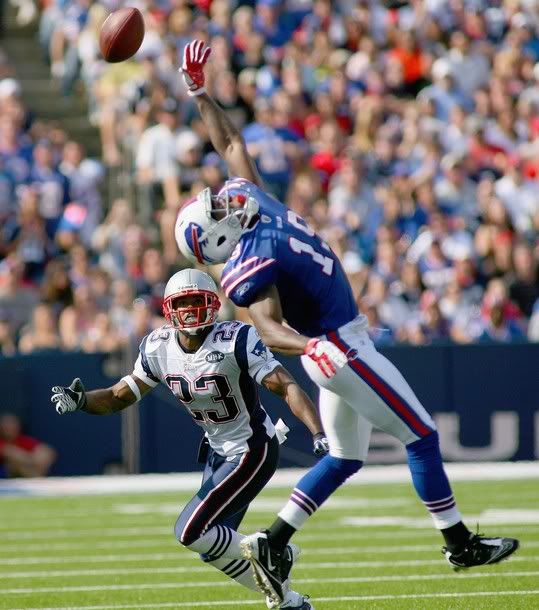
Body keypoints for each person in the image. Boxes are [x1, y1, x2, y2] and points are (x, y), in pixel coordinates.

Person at [174, 40, 520, 605]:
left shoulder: (248, 197)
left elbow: (230, 140)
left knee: (344, 457)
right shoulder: (246, 265)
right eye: (217, 213)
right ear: (217, 239)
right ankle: (459, 543)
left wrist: (199, 92)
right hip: (339, 349)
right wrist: (313, 346)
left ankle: (273, 539)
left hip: (340, 343)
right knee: (422, 436)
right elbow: (267, 329)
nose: (224, 200)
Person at [51, 268, 322, 610]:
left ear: (212, 304)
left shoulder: (236, 338)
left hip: (251, 449)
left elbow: (285, 385)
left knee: (189, 531)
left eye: (199, 301)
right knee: (212, 546)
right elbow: (120, 396)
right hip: (217, 452)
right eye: (184, 303)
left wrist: (318, 431)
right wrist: (83, 400)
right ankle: (290, 601)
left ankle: (273, 550)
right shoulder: (158, 346)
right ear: (168, 309)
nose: (192, 310)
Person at [0, 413, 56, 478]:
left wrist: (36, 460)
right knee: (14, 463)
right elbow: (11, 453)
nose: (9, 427)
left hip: (29, 474)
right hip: (4, 478)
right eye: (6, 424)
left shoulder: (23, 440)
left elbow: (48, 452)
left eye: (12, 424)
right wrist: (33, 461)